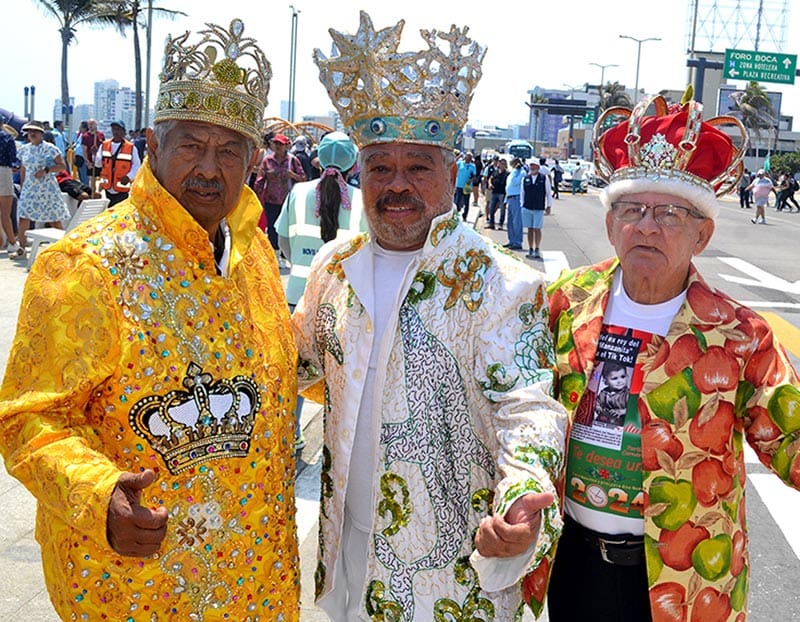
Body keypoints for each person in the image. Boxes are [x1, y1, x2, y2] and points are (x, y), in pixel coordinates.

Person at [0, 19, 300, 621]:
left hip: (257, 582)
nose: (210, 168)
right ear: (154, 146)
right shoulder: (86, 265)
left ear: (252, 161)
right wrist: (97, 494)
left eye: (229, 150)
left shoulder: (255, 254)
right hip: (139, 588)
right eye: (191, 145)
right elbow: (29, 418)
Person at [299, 11, 567, 620]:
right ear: (359, 175)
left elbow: (528, 407)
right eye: (380, 167)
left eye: (417, 166)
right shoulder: (334, 268)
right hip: (348, 550)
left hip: (451, 574)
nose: (397, 184)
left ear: (451, 173)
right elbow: (295, 367)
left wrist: (523, 496)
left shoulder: (499, 282)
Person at [543, 94, 800, 622]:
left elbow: (791, 440)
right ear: (610, 224)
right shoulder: (566, 301)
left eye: (670, 213)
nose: (647, 226)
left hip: (687, 581)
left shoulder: (739, 334)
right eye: (632, 210)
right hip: (574, 563)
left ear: (702, 235)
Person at [276, 131, 365, 450]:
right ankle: (339, 440)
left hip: (297, 296)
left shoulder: (298, 193)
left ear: (318, 160)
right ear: (354, 165)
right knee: (341, 373)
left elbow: (283, 242)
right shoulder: (361, 202)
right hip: (343, 303)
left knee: (297, 371)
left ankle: (292, 432)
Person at [15, 120, 69, 255]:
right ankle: (22, 248)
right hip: (30, 188)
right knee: (23, 217)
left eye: (35, 131)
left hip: (47, 189)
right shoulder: (24, 149)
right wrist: (23, 185)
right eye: (29, 131)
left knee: (54, 219)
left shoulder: (50, 148)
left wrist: (46, 170)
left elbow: (62, 166)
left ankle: (62, 248)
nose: (32, 134)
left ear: (41, 133)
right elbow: (23, 168)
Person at [254, 132, 306, 261]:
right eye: (275, 143)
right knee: (272, 228)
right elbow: (260, 180)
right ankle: (275, 255)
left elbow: (303, 178)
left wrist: (293, 175)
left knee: (288, 227)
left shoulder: (293, 160)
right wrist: (257, 197)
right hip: (271, 200)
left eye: (280, 144)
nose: (277, 146)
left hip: (288, 201)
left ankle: (285, 255)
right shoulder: (267, 161)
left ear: (286, 146)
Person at [94, 120, 141, 206]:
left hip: (122, 186)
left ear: (124, 131)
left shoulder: (131, 148)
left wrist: (129, 177)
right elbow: (98, 164)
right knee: (110, 210)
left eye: (118, 129)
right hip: (108, 187)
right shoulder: (104, 145)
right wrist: (95, 155)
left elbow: (137, 165)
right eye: (114, 129)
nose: (116, 132)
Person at [520, 159, 552, 260]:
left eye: (534, 166)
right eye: (531, 165)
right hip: (527, 207)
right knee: (530, 228)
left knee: (537, 228)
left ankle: (537, 248)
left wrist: (549, 205)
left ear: (538, 167)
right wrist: (522, 205)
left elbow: (548, 193)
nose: (533, 167)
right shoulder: (525, 178)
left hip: (539, 207)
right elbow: (522, 193)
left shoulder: (544, 178)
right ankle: (530, 248)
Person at [0, 123, 20, 256]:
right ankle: (12, 243)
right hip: (3, 172)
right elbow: (13, 159)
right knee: (5, 213)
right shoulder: (7, 137)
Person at [504, 157, 525, 250]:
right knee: (510, 222)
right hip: (510, 197)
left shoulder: (521, 173)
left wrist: (517, 170)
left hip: (517, 198)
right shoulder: (512, 172)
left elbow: (514, 182)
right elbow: (508, 186)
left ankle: (518, 242)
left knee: (517, 222)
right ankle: (511, 240)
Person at [81, 118, 105, 192]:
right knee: (92, 180)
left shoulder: (100, 135)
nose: (91, 126)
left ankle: (100, 191)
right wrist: (87, 162)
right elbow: (84, 150)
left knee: (104, 178)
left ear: (96, 125)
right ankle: (93, 194)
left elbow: (104, 148)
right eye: (89, 124)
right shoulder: (85, 136)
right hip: (91, 161)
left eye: (92, 124)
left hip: (100, 161)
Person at [486, 157, 508, 230]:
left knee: (502, 209)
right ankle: (491, 223)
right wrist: (490, 184)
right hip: (494, 192)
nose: (502, 165)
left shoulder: (507, 174)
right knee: (491, 208)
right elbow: (490, 178)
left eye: (503, 164)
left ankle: (500, 224)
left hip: (502, 193)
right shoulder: (495, 172)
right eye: (501, 163)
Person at [455, 151, 476, 220]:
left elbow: (474, 176)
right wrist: (459, 156)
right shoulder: (460, 163)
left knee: (466, 202)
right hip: (459, 185)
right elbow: (453, 163)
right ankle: (456, 215)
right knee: (457, 201)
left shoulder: (473, 166)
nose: (468, 158)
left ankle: (465, 216)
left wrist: (470, 180)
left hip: (467, 187)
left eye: (470, 157)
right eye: (467, 157)